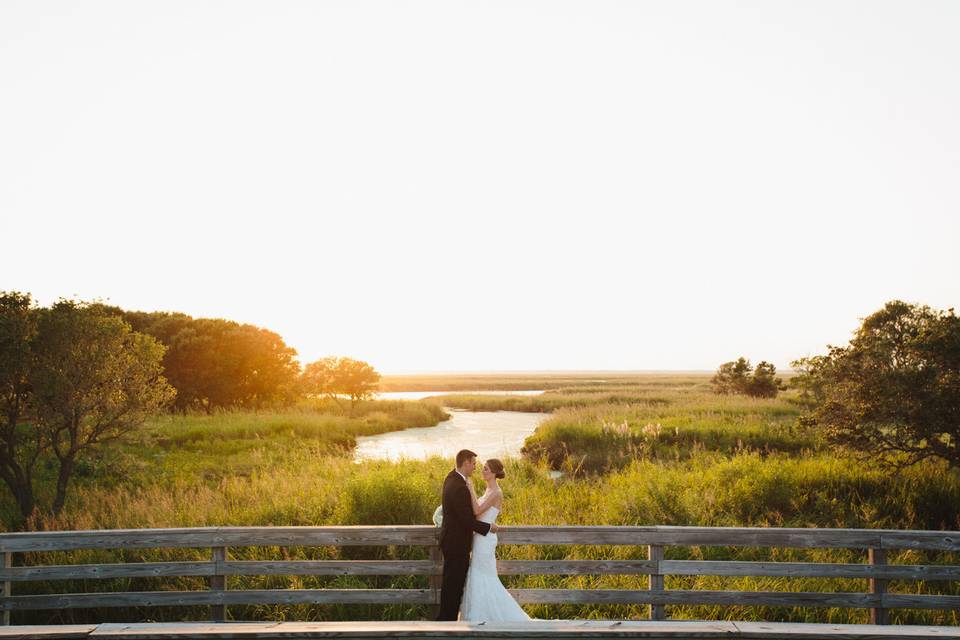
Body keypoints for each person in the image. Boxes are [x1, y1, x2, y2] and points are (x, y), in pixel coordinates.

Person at [459, 458, 531, 621]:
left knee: (484, 575)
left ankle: (494, 617)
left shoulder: (496, 492)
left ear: (493, 473)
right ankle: (480, 615)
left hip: (485, 540)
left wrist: (470, 488)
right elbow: (480, 512)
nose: (482, 471)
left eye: (485, 469)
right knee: (478, 574)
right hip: (480, 537)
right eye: (483, 468)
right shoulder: (488, 491)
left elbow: (476, 511)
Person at [436, 449, 498, 621]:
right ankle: (446, 622)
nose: (475, 468)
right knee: (453, 585)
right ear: (466, 463)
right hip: (456, 544)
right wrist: (488, 527)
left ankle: (445, 619)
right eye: (474, 464)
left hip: (451, 541)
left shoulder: (451, 478)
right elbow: (467, 521)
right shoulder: (459, 487)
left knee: (450, 584)